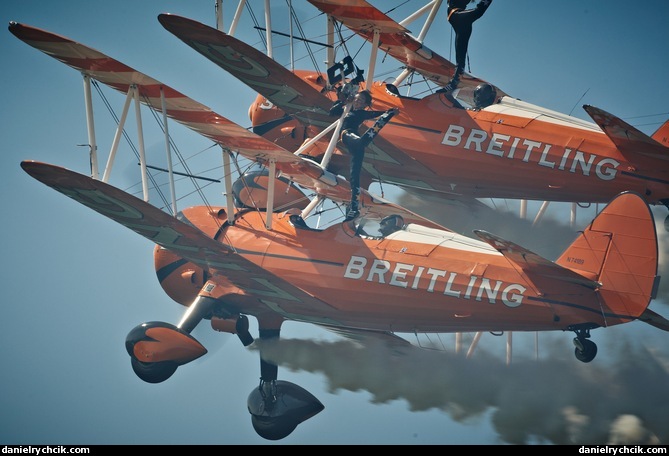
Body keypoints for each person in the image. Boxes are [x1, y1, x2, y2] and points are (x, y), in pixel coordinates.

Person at [330, 88, 399, 221]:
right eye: (356, 98)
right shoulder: (347, 109)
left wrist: (388, 112)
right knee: (361, 143)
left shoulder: (361, 113)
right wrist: (343, 102)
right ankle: (354, 208)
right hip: (349, 138)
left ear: (364, 104)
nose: (357, 101)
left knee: (355, 177)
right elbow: (332, 112)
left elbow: (373, 114)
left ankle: (354, 209)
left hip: (353, 139)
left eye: (361, 100)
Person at [441, 0, 493, 93]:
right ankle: (453, 83)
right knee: (478, 12)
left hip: (462, 22)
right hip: (456, 14)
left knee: (460, 59)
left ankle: (453, 84)